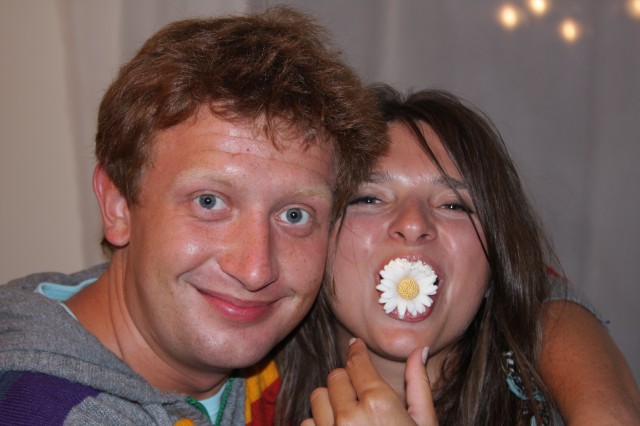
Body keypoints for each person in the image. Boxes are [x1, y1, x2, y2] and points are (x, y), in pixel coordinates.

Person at [0, 7, 387, 425]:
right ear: (118, 205)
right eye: (209, 202)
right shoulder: (45, 411)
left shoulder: (292, 358)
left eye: (294, 215)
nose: (255, 271)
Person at [286, 86, 640, 425]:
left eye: (453, 205)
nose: (413, 224)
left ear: (495, 263)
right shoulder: (258, 392)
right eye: (369, 198)